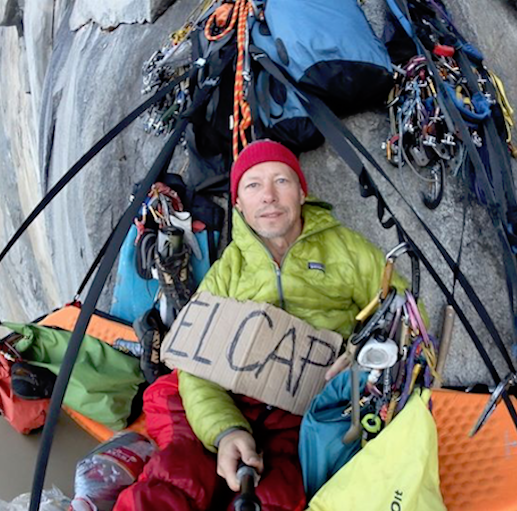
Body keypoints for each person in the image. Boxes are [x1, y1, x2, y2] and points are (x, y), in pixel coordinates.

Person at [114, 139, 407, 511]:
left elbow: (403, 316)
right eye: (253, 185)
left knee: (278, 493)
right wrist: (226, 431)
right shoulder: (226, 273)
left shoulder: (350, 251)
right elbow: (197, 368)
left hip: (308, 412)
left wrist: (360, 358)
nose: (268, 196)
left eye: (281, 181)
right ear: (238, 203)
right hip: (233, 396)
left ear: (302, 192)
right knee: (173, 476)